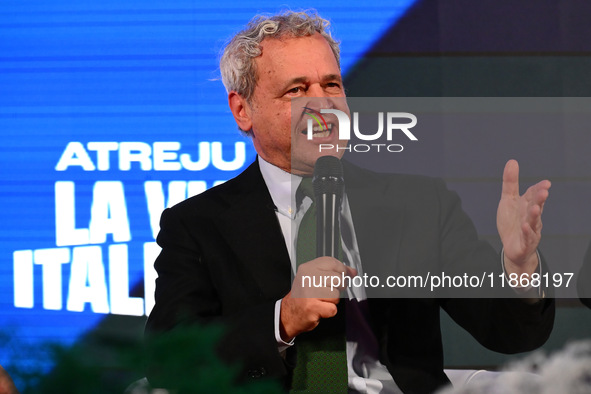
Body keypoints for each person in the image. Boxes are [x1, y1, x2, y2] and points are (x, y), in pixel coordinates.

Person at [145, 10, 555, 393]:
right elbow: (170, 357)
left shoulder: (419, 205)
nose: (322, 104)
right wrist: (283, 318)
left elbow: (512, 332)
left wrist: (520, 268)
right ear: (242, 110)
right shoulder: (197, 224)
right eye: (297, 89)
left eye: (332, 84)